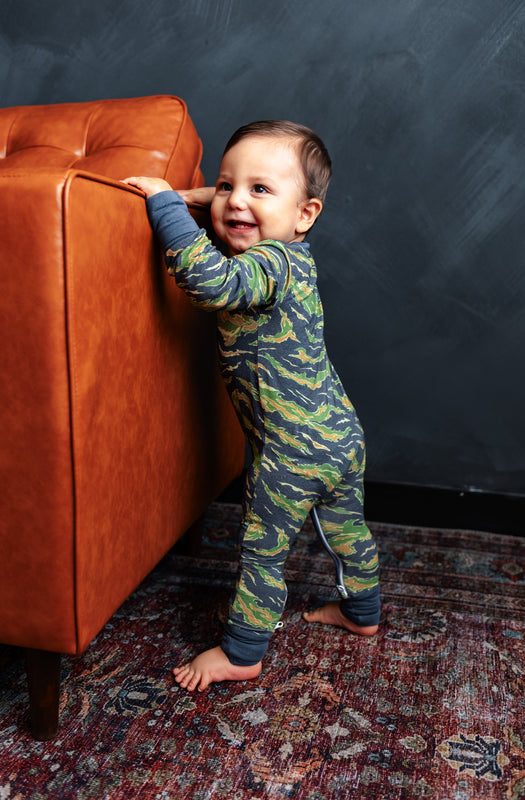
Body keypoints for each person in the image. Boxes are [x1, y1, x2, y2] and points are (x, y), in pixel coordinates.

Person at [123, 120, 380, 692]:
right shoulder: (295, 257)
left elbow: (210, 282)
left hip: (291, 451)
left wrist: (166, 205)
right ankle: (363, 612)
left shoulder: (268, 265)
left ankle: (242, 653)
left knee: (261, 553)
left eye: (260, 190)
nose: (236, 201)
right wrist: (202, 197)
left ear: (305, 215)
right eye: (225, 185)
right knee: (346, 529)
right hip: (339, 434)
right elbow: (231, 216)